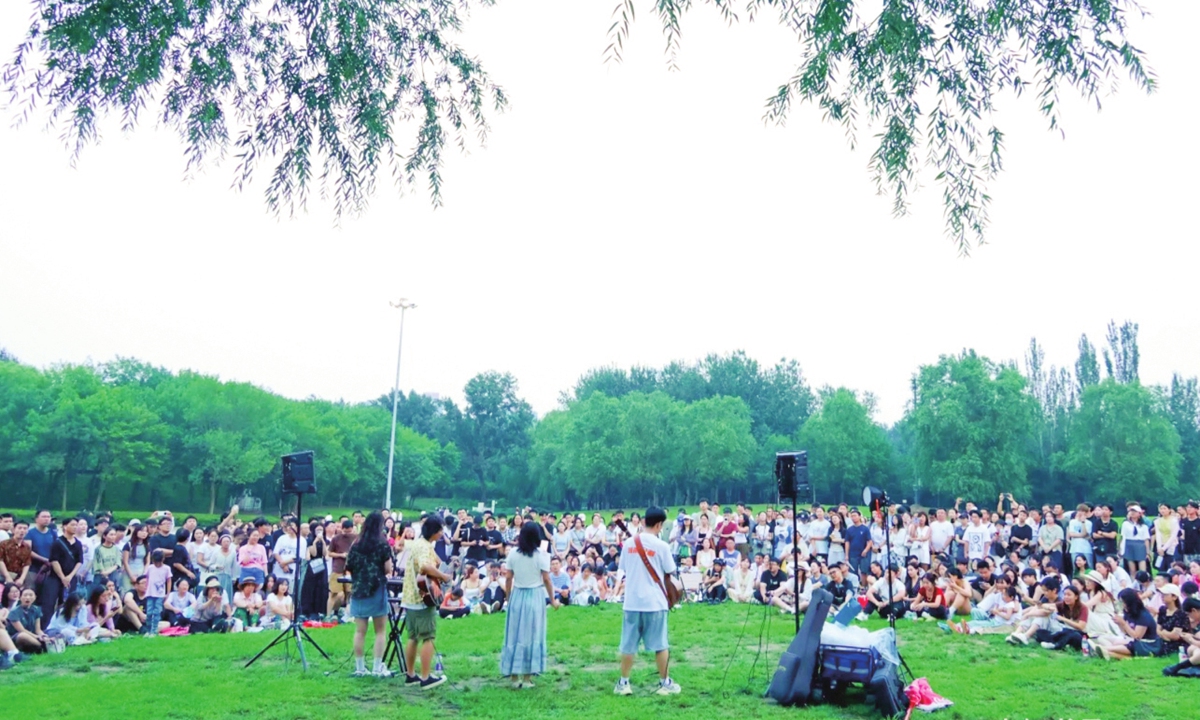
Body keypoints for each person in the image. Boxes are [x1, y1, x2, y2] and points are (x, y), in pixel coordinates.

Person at [615, 506, 680, 697]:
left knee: (628, 645)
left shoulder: (629, 543)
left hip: (632, 601)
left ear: (644, 521)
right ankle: (664, 682)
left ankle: (624, 682)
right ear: (659, 524)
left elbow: (624, 568)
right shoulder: (662, 546)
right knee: (660, 645)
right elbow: (670, 571)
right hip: (655, 602)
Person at [501, 522, 560, 688]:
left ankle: (514, 678)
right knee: (532, 635)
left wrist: (508, 597)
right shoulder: (541, 555)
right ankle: (527, 679)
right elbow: (547, 579)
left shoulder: (513, 553)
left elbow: (508, 578)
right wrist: (553, 600)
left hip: (517, 595)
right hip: (535, 595)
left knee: (514, 635)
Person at [402, 514, 452, 690]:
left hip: (410, 597)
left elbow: (435, 562)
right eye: (440, 530)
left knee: (412, 637)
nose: (442, 533)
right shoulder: (424, 547)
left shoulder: (419, 543)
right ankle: (425, 677)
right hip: (422, 597)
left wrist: (443, 564)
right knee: (428, 637)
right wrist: (443, 576)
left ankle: (411, 675)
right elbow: (424, 566)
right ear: (434, 531)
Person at [346, 511, 394, 678]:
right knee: (380, 631)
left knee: (360, 631)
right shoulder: (383, 544)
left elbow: (349, 566)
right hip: (377, 588)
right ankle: (376, 668)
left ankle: (360, 668)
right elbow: (387, 568)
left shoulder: (356, 544)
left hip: (359, 589)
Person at [1092, 588, 1163, 660]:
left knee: (1126, 645)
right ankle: (1109, 653)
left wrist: (1124, 623)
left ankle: (1105, 649)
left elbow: (1137, 636)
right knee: (1105, 639)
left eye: (1122, 601)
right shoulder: (1128, 612)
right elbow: (1125, 633)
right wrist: (1119, 623)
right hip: (1132, 641)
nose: (1120, 604)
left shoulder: (1143, 615)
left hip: (1146, 645)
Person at [327, 520, 356, 620]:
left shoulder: (356, 538)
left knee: (349, 593)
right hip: (338, 568)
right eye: (345, 532)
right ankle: (329, 615)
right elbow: (329, 553)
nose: (347, 534)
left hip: (351, 569)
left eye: (349, 532)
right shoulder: (336, 538)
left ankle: (347, 615)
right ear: (342, 529)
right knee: (334, 593)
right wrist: (341, 555)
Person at [7, 587, 49, 653]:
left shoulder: (36, 609)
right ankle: (44, 646)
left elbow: (38, 630)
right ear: (20, 597)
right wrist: (38, 637)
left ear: (35, 597)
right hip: (16, 637)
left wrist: (43, 636)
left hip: (32, 635)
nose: (28, 597)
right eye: (25, 595)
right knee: (22, 635)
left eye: (31, 595)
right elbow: (22, 630)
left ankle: (44, 645)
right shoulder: (14, 612)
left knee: (52, 632)